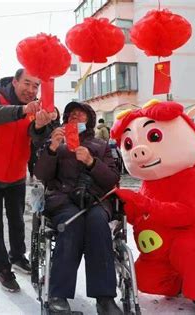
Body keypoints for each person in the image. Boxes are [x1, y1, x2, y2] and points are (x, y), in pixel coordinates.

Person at [33, 101, 123, 315]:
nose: (76, 119)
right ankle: (58, 295)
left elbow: (112, 179)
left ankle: (105, 298)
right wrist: (52, 149)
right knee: (69, 225)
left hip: (95, 200)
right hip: (63, 200)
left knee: (98, 224)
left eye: (80, 116)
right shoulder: (56, 141)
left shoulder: (101, 146)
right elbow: (42, 175)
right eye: (72, 115)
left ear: (89, 121)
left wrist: (92, 162)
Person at [0, 68, 42, 292]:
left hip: (16, 174)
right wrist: (22, 110)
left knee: (17, 221)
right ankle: (2, 269)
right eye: (27, 83)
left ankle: (17, 256)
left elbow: (37, 137)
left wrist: (44, 124)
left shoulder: (37, 107)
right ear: (14, 81)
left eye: (36, 86)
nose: (31, 90)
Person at [28, 107, 60, 185]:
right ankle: (32, 176)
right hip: (40, 149)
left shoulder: (60, 124)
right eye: (51, 112)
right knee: (33, 161)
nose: (53, 114)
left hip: (55, 154)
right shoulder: (44, 124)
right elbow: (37, 135)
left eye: (55, 112)